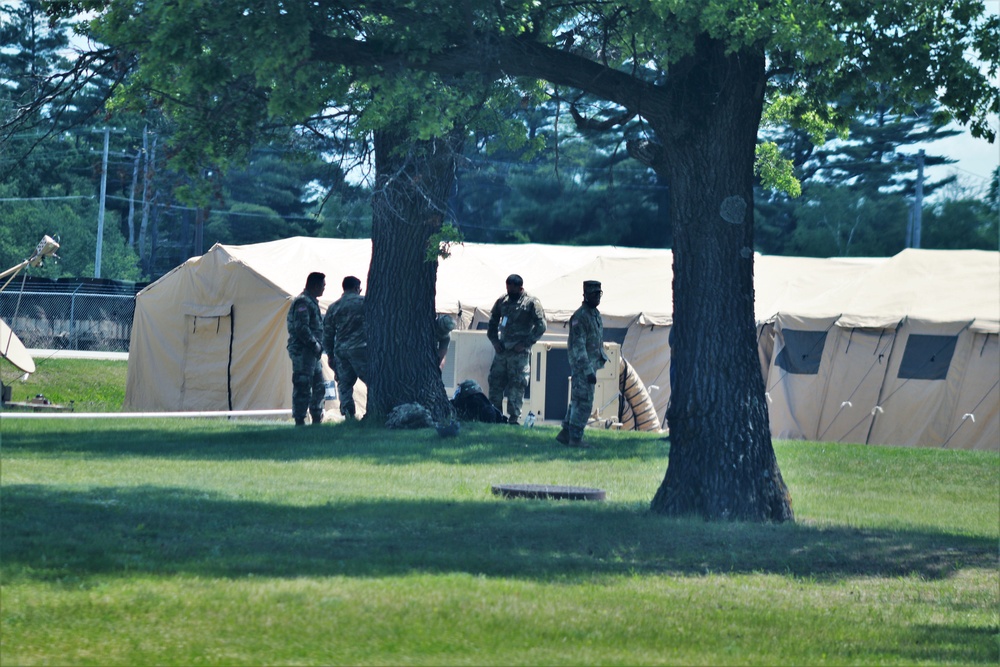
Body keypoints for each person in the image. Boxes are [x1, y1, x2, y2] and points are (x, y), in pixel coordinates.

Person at [486, 274, 546, 425]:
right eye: (508, 289)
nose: (510, 293)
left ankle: (513, 419)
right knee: (495, 383)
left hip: (519, 354)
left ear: (520, 288)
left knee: (516, 386)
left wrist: (526, 343)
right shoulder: (502, 301)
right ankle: (496, 417)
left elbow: (541, 326)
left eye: (513, 290)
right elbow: (492, 322)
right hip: (502, 352)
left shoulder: (531, 302)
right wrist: (494, 341)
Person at [556, 280, 609, 448]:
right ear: (585, 295)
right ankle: (576, 439)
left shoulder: (595, 314)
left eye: (599, 294)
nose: (597, 297)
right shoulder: (580, 316)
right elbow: (578, 346)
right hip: (583, 367)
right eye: (593, 294)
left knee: (577, 400)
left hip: (591, 365)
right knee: (584, 402)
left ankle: (565, 433)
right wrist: (587, 370)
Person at [323, 275, 369, 420]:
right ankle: (373, 412)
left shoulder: (334, 307)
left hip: (341, 351)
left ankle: (349, 415)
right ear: (357, 288)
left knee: (344, 385)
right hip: (361, 349)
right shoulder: (365, 302)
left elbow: (328, 334)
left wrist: (330, 354)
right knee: (373, 381)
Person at [286, 272, 326, 426]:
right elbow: (301, 328)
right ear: (315, 285)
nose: (324, 289)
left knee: (319, 386)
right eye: (323, 285)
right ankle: (300, 420)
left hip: (312, 353)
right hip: (303, 352)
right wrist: (314, 344)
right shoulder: (303, 302)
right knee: (303, 385)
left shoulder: (311, 302)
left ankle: (316, 417)